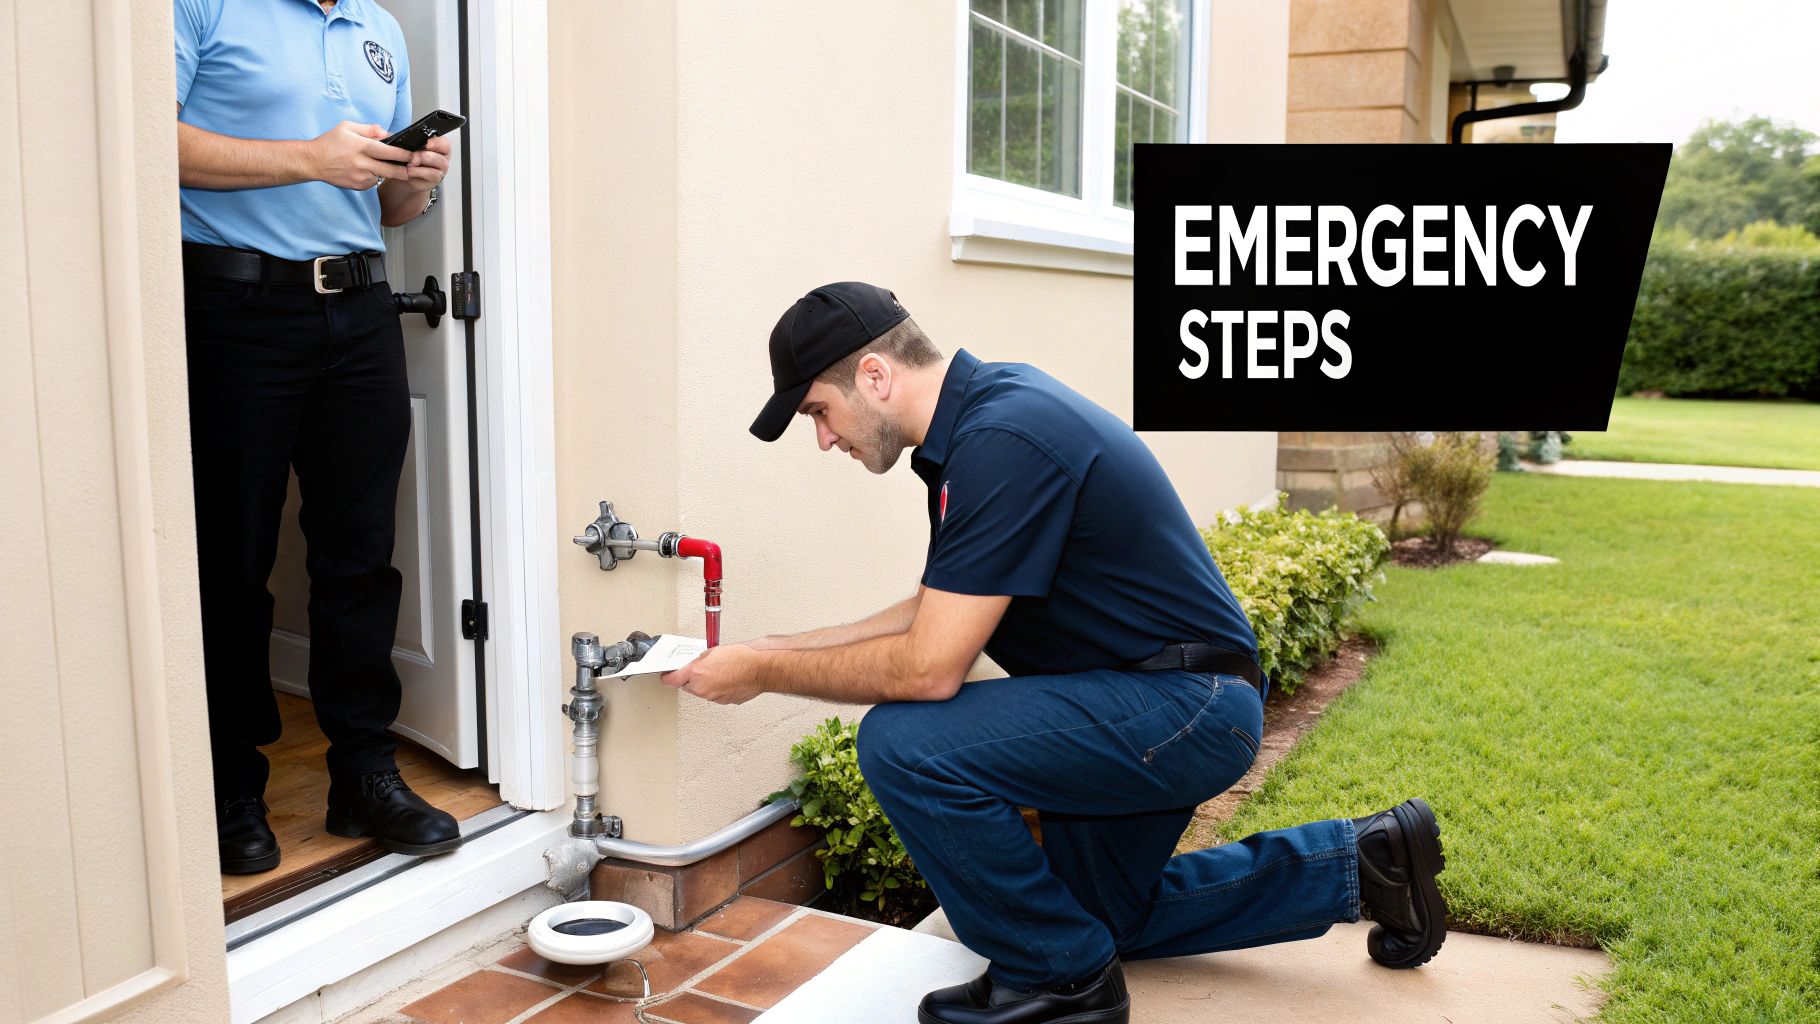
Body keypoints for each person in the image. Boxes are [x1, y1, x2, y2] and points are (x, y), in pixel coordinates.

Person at [660, 282, 1450, 1023]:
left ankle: (1060, 981)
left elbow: (932, 667)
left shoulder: (1002, 441)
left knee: (902, 743)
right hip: (1161, 698)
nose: (824, 438)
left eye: (818, 413)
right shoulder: (983, 424)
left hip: (1183, 707)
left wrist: (763, 674)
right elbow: (940, 609)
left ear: (874, 375)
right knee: (1100, 919)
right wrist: (772, 645)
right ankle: (1362, 862)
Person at [174, 0, 461, 874]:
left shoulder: (378, 28)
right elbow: (147, 140)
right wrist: (311, 156)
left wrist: (418, 177)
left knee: (360, 556)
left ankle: (361, 773)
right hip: (236, 310)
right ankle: (229, 784)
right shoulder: (202, 5)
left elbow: (391, 210)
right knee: (233, 560)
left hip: (362, 311)